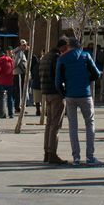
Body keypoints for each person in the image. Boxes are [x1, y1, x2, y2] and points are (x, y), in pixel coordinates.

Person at [57, 36, 104, 165]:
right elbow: (96, 74)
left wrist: (64, 93)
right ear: (79, 46)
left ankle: (76, 157)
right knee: (90, 124)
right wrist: (86, 79)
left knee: (73, 126)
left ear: (68, 46)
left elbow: (58, 81)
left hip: (70, 95)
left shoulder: (62, 59)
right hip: (85, 93)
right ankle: (90, 157)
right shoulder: (86, 55)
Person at [40, 36, 69, 164]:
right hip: (56, 93)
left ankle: (47, 152)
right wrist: (63, 92)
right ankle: (52, 153)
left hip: (46, 93)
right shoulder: (57, 58)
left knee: (49, 123)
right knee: (55, 125)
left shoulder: (45, 57)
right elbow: (60, 75)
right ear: (63, 47)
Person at [0, 47, 16, 119]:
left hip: (1, 82)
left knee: (1, 98)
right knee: (10, 98)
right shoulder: (11, 60)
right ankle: (11, 114)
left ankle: (2, 113)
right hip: (10, 81)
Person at [12, 39, 34, 118]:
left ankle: (18, 107)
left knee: (19, 91)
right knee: (20, 91)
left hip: (19, 73)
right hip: (19, 74)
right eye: (23, 45)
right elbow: (16, 63)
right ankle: (18, 108)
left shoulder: (20, 52)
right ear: (20, 46)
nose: (25, 46)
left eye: (25, 45)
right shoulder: (20, 53)